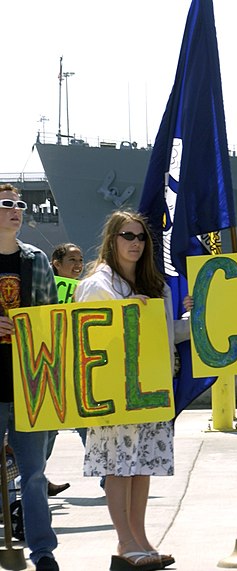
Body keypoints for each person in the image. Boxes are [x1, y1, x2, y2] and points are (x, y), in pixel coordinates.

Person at [75, 210, 175, 571]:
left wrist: (191, 320)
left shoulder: (155, 285)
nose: (135, 243)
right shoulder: (98, 284)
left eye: (141, 237)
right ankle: (125, 540)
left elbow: (164, 336)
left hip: (151, 386)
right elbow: (86, 335)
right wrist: (128, 313)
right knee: (118, 466)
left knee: (143, 465)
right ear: (112, 240)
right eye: (127, 236)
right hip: (115, 389)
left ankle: (140, 537)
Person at [0, 184, 60, 571]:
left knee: (35, 476)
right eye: (6, 204)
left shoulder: (36, 259)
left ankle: (43, 553)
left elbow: (54, 317)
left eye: (19, 204)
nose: (16, 210)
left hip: (29, 385)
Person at [41, 243, 85, 497]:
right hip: (51, 367)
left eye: (80, 259)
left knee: (84, 425)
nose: (78, 264)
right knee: (48, 430)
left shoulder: (85, 289)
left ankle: (107, 478)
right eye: (71, 260)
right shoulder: (44, 289)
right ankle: (36, 477)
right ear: (56, 264)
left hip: (76, 365)